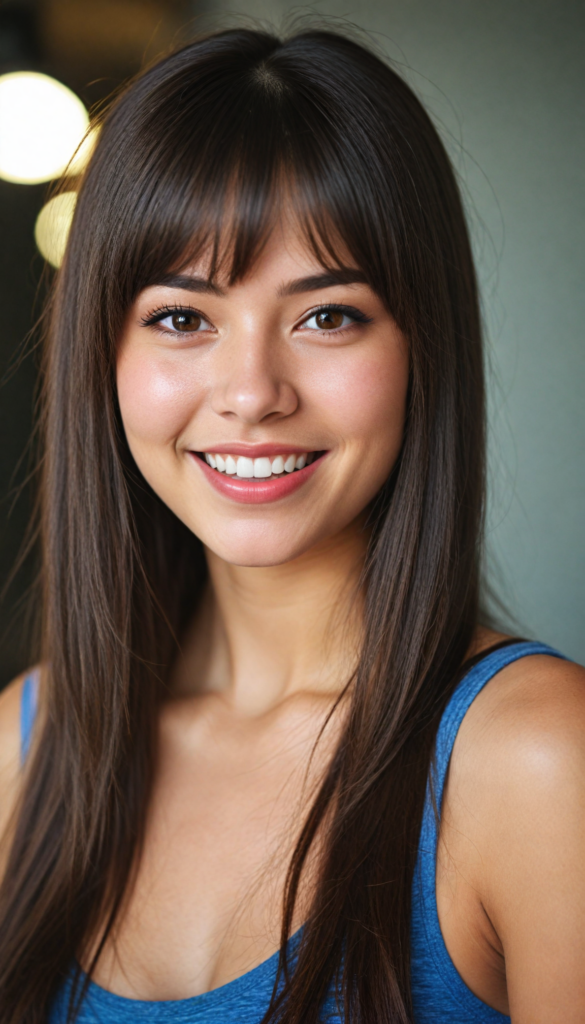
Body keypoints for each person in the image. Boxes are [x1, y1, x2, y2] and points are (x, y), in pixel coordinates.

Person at [0, 27, 583, 1024]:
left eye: (328, 315)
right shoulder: (23, 747)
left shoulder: (540, 761)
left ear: (421, 347)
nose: (253, 393)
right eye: (182, 317)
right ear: (102, 350)